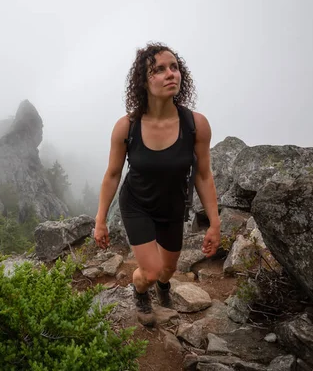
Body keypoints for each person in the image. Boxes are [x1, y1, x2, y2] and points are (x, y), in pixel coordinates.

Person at [93, 42, 221, 326]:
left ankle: (164, 286)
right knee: (150, 272)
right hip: (137, 204)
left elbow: (203, 175)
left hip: (173, 207)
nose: (170, 74)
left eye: (174, 67)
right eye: (159, 70)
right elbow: (113, 174)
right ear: (144, 80)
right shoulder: (127, 127)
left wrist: (214, 223)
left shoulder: (195, 125)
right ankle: (140, 292)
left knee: (168, 270)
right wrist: (100, 218)